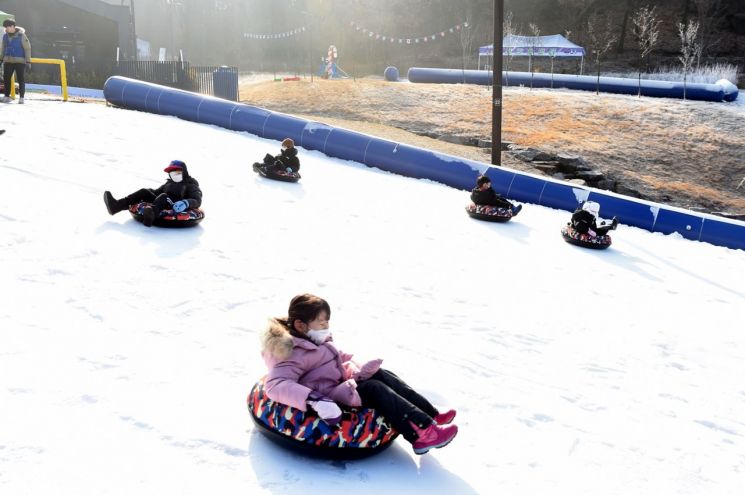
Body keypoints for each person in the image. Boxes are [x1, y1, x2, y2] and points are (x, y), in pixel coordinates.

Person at [260, 294, 458, 455]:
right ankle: (424, 435)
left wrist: (359, 367)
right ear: (301, 326)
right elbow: (275, 384)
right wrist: (316, 400)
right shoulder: (290, 353)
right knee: (374, 389)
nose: (326, 328)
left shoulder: (315, 340)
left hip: (340, 384)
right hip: (329, 398)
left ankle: (431, 416)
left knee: (381, 375)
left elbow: (338, 357)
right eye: (321, 323)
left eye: (327, 322)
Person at [103, 160, 202, 227]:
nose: (174, 175)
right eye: (171, 173)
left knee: (164, 196)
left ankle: (151, 215)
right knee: (144, 191)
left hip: (176, 206)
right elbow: (156, 192)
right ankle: (116, 206)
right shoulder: (168, 183)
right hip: (162, 202)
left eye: (177, 172)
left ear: (184, 172)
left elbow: (197, 200)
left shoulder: (190, 185)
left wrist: (186, 203)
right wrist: (148, 192)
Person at [0, 19, 31, 104]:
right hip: (8, 61)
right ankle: (6, 97)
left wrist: (28, 62)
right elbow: (3, 48)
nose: (6, 29)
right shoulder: (5, 36)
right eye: (5, 27)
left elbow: (27, 48)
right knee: (6, 79)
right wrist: (1, 59)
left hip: (20, 61)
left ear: (13, 26)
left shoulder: (22, 36)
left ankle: (21, 98)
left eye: (7, 27)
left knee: (21, 79)